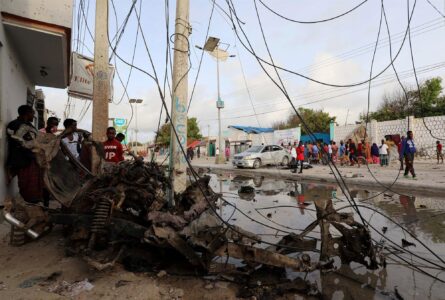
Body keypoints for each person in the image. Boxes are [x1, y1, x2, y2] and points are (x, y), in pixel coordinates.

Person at [6, 105, 43, 204]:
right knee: (26, 183)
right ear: (27, 113)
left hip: (32, 158)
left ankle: (33, 204)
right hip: (22, 159)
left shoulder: (30, 126)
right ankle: (29, 203)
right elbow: (17, 141)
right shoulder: (14, 124)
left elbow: (34, 140)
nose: (33, 115)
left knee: (35, 184)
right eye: (32, 113)